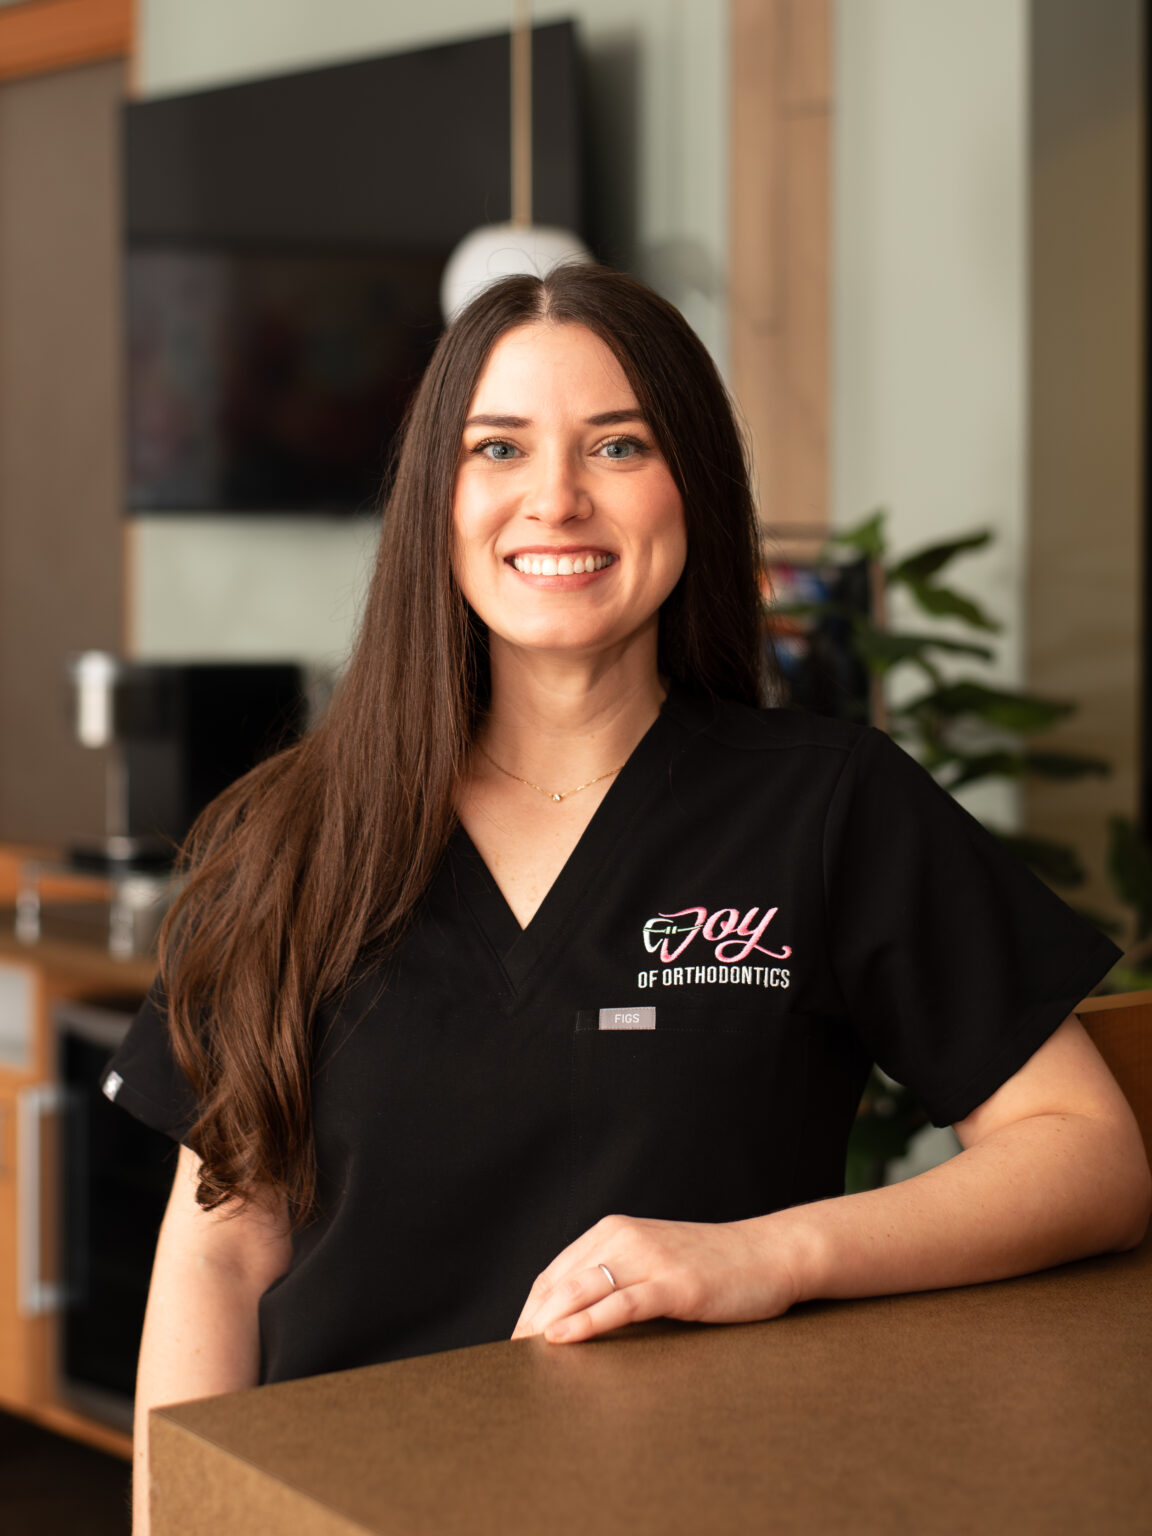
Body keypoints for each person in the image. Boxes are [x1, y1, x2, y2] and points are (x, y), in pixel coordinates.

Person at [108, 264, 1150, 1529]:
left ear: (691, 489)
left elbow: (1086, 1153)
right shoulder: (284, 838)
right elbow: (222, 1250)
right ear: (437, 498)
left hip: (709, 1501)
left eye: (619, 443)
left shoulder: (829, 806)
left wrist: (761, 1252)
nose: (556, 497)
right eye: (499, 447)